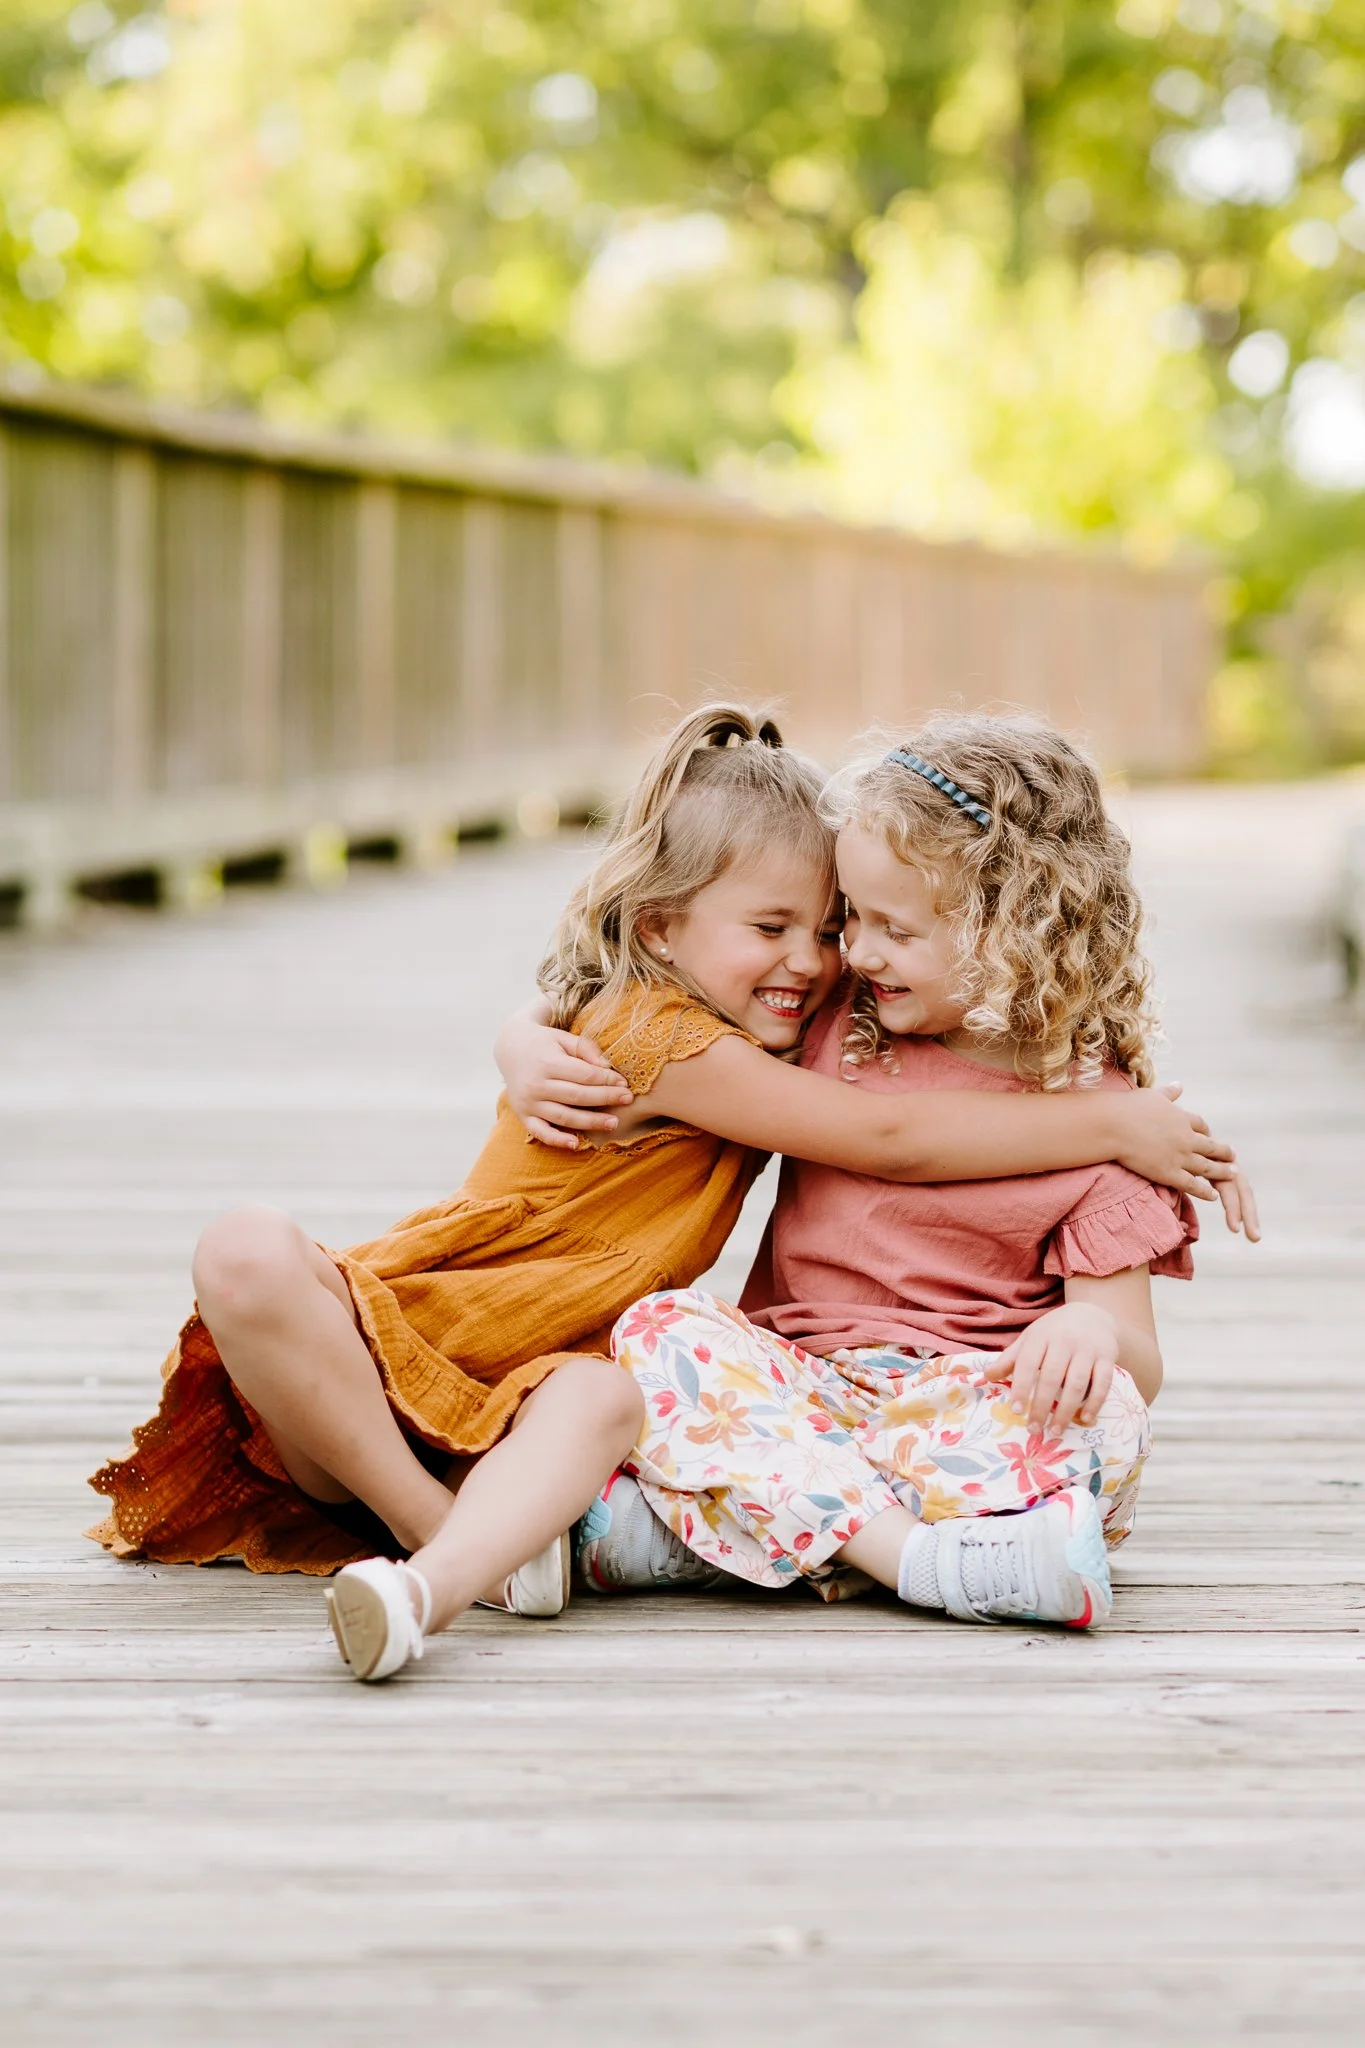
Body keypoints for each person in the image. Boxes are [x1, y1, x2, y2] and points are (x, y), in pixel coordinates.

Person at [88, 706, 1240, 1681]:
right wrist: (521, 1040)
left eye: (855, 927)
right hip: (585, 1363)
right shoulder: (783, 1040)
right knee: (624, 1332)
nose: (832, 956)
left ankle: (624, 1533)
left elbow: (1116, 1326)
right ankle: (458, 1537)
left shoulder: (873, 1033)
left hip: (718, 1400)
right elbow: (877, 1130)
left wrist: (1087, 1324)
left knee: (628, 1391)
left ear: (1014, 928)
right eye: (821, 925)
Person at [517, 715, 1259, 1629]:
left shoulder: (1113, 1124)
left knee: (1105, 1420)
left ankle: (699, 1532)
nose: (853, 953)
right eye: (847, 921)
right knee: (657, 1331)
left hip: (969, 1402)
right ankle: (922, 1560)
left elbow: (1132, 1356)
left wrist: (1090, 1343)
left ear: (1010, 934)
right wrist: (520, 1039)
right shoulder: (836, 1023)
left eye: (890, 929)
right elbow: (619, 999)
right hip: (801, 1383)